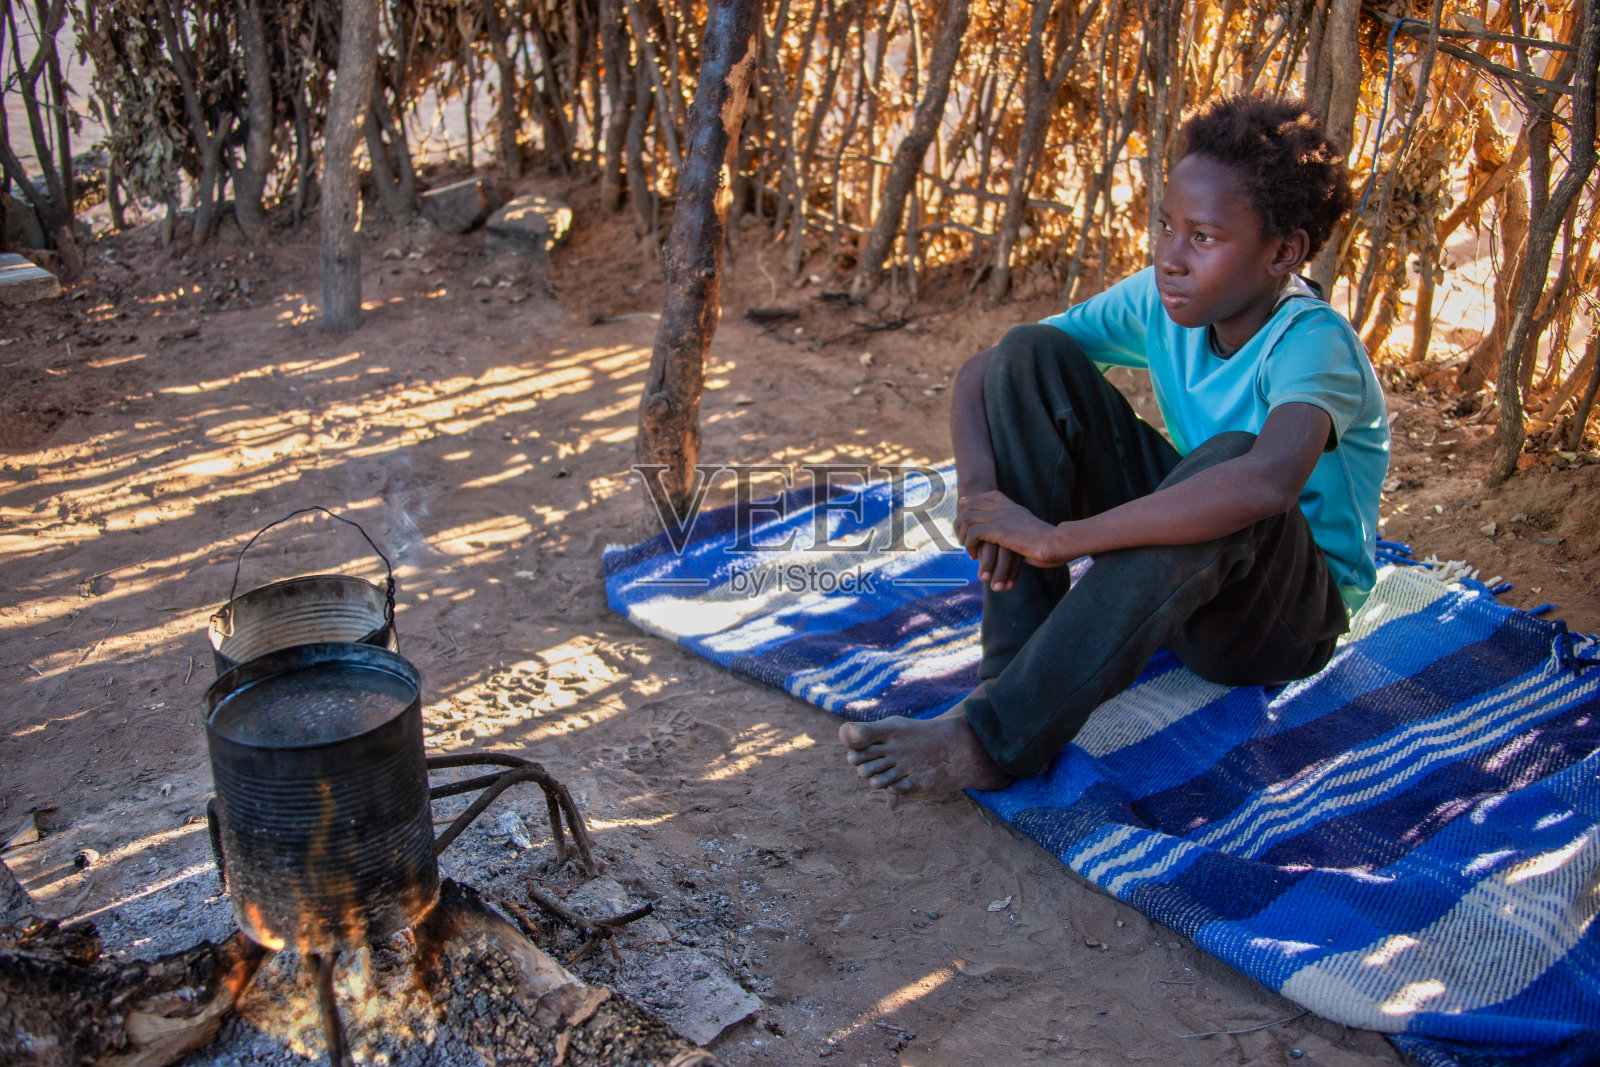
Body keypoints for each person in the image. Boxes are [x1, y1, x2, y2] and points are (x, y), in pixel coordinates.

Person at [840, 94, 1390, 796]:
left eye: (1204, 238)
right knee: (1030, 355)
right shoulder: (1161, 301)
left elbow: (1267, 484)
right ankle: (1012, 678)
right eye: (1166, 227)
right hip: (1192, 584)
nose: (1170, 258)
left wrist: (1062, 537)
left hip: (1282, 619)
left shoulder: (1314, 343)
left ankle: (997, 739)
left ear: (1284, 252)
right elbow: (990, 370)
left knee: (1230, 464)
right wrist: (983, 497)